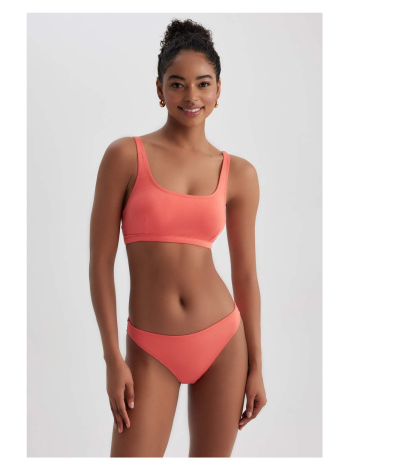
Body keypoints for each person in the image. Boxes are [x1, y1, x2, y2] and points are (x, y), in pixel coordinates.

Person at [89, 18, 266, 457]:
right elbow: (100, 263)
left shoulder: (240, 174)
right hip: (150, 347)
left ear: (218, 90)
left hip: (224, 342)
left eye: (203, 84)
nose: (191, 97)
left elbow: (245, 275)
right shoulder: (125, 156)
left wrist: (257, 366)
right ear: (159, 89)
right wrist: (112, 358)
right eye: (177, 84)